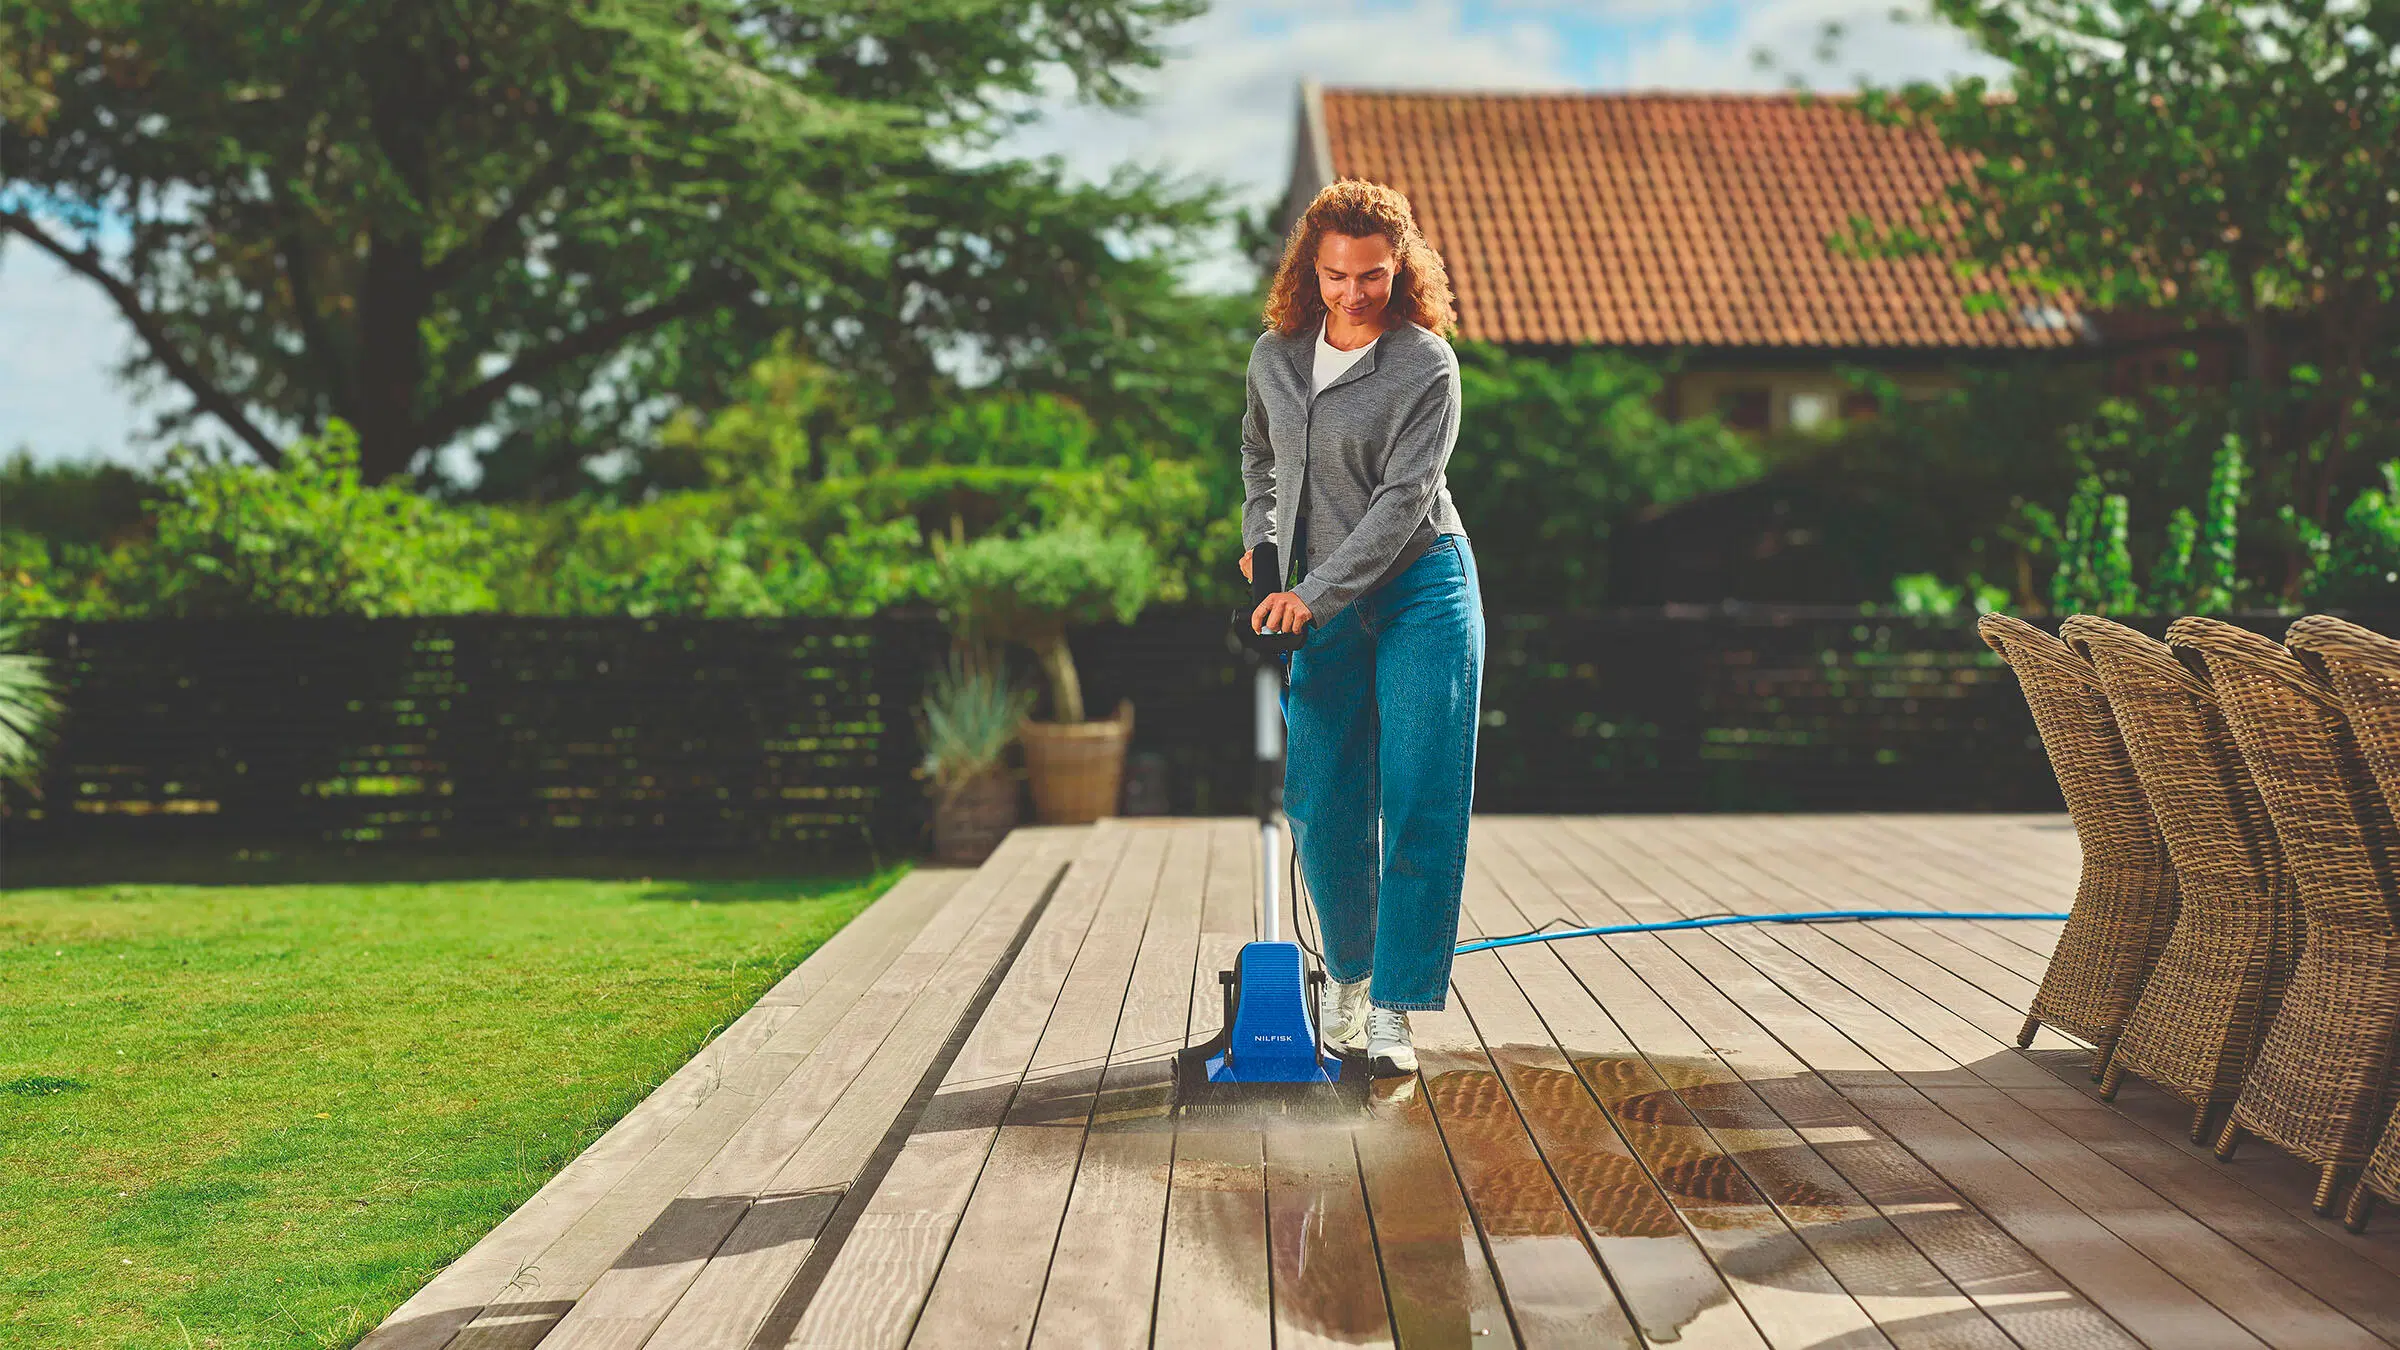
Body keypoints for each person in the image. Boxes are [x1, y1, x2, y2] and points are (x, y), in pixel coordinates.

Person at [1237, 177, 1484, 1076]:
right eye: (1337, 276)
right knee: (1318, 795)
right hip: (1318, 595)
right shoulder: (1276, 355)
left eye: (1372, 276)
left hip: (1422, 585)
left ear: (1401, 267)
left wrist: (1311, 594)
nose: (1353, 294)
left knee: (1419, 793)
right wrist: (1263, 553)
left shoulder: (1426, 365)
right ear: (1312, 268)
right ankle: (1348, 972)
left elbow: (1402, 502)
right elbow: (1258, 457)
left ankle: (1393, 1008)